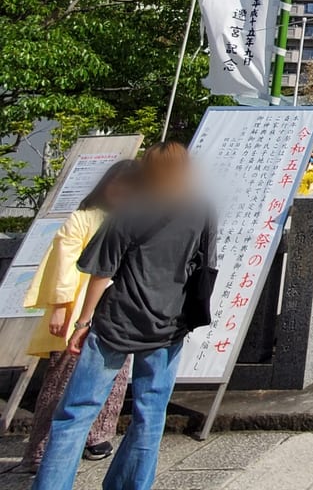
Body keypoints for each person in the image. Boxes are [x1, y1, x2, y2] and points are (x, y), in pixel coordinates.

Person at [32, 141, 216, 490]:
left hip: (117, 320)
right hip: (168, 322)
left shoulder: (133, 208)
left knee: (75, 413)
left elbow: (102, 271)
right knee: (150, 414)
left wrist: (83, 322)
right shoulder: (201, 208)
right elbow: (205, 264)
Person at [20, 159, 142, 472]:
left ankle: (99, 436)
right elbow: (62, 262)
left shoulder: (135, 220)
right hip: (77, 308)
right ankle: (40, 447)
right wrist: (61, 305)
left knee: (114, 378)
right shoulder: (83, 218)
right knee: (62, 378)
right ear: (107, 185)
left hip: (119, 312)